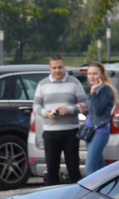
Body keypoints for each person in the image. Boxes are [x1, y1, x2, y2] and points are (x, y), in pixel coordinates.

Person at [34, 55, 87, 185]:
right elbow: (36, 106)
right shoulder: (42, 84)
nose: (57, 71)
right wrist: (45, 113)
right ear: (49, 68)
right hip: (50, 132)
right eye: (54, 68)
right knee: (52, 170)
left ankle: (77, 197)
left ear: (64, 66)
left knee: (74, 168)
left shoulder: (74, 83)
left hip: (70, 131)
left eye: (60, 67)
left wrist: (69, 109)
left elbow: (84, 104)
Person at [83, 61, 117, 175]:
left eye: (95, 74)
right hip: (90, 131)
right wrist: (85, 111)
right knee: (99, 167)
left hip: (100, 131)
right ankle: (109, 188)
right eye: (89, 74)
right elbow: (94, 112)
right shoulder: (95, 88)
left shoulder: (105, 89)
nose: (91, 77)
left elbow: (98, 109)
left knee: (89, 169)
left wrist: (92, 93)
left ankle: (92, 191)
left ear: (101, 75)